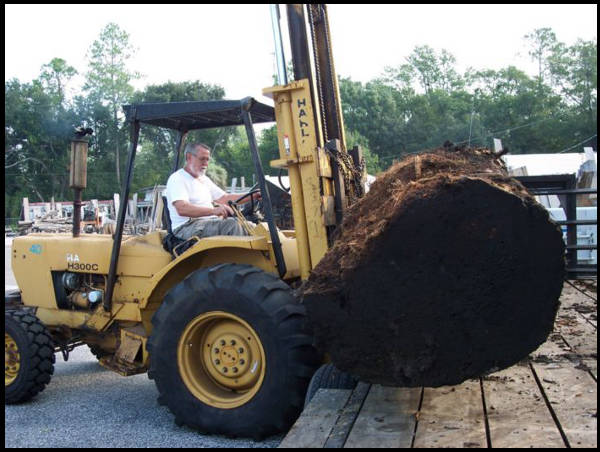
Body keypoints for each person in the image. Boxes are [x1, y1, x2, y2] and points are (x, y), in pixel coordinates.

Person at [165, 143, 259, 240]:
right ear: (189, 157)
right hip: (186, 227)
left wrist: (254, 195)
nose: (206, 163)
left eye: (207, 159)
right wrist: (213, 211)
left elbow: (224, 198)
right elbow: (182, 209)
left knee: (252, 227)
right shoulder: (177, 178)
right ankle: (239, 255)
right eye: (202, 159)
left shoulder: (203, 179)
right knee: (232, 225)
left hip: (207, 223)